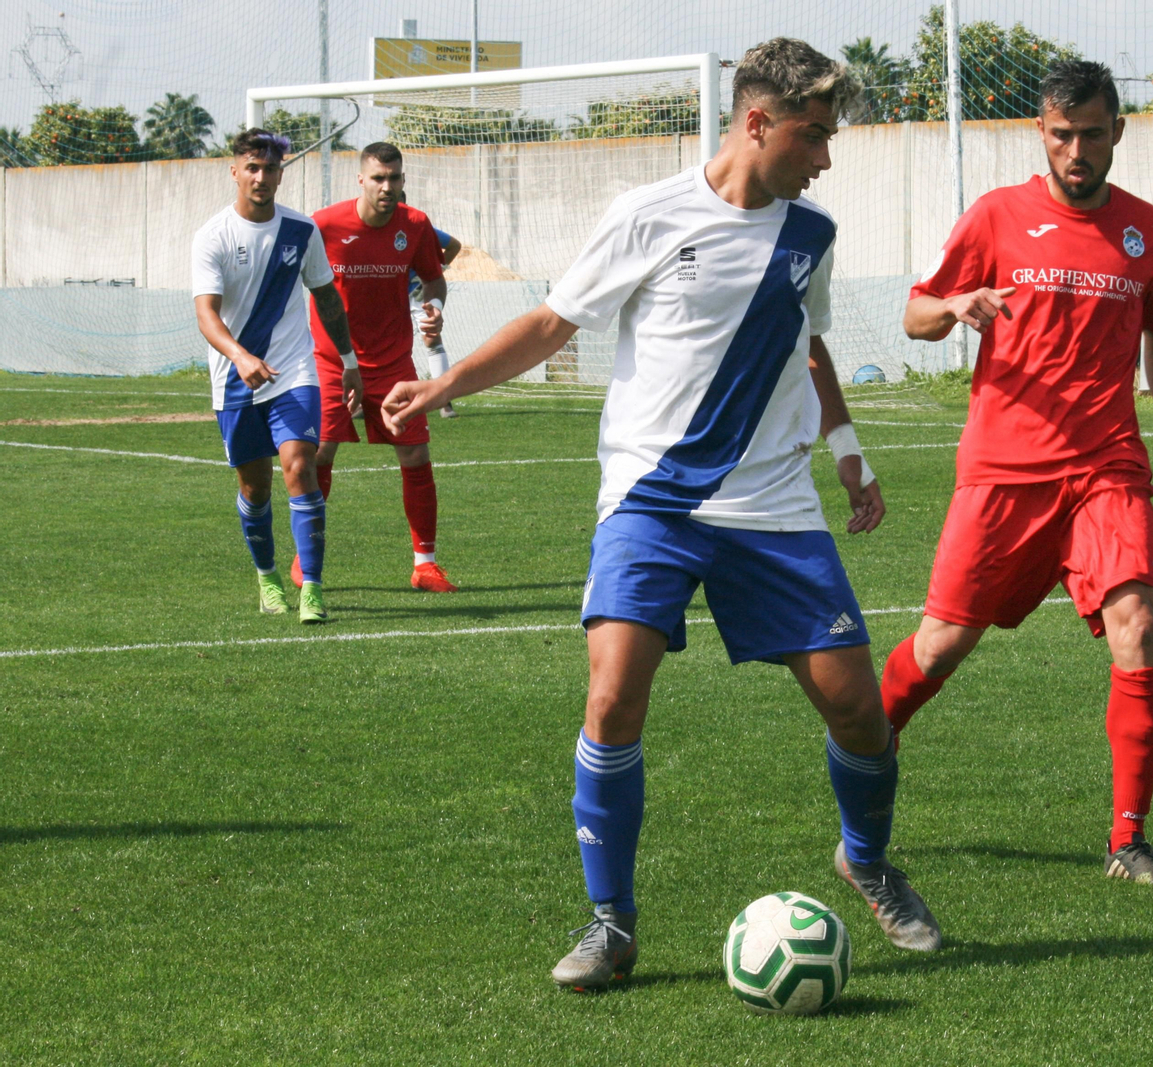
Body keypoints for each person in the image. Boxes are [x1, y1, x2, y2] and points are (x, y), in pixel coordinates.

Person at [383, 37, 942, 989]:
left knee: (858, 708)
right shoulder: (647, 214)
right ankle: (612, 923)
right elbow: (553, 322)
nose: (825, 157)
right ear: (757, 122)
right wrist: (445, 386)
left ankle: (867, 859)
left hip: (772, 504)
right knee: (612, 694)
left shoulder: (812, 234)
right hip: (652, 497)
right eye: (813, 135)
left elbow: (809, 345)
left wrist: (850, 453)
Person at [885, 59, 1153, 887]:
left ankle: (1129, 839)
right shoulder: (996, 216)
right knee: (941, 647)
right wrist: (954, 305)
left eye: (1092, 135)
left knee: (1137, 625)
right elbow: (916, 313)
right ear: (1041, 132)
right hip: (1005, 468)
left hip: (1107, 465)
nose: (1076, 152)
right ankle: (863, 740)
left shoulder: (1150, 231)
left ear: (1117, 131)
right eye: (1062, 135)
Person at [191, 127, 356, 625]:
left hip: (293, 370)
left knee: (301, 467)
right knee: (255, 488)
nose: (261, 177)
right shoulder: (213, 236)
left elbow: (326, 297)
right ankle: (267, 578)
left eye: (270, 169)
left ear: (281, 174)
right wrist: (241, 357)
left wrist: (349, 362)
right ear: (235, 171)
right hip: (235, 378)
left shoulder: (302, 230)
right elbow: (206, 314)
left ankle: (313, 590)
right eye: (253, 168)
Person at [301, 142, 457, 593]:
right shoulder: (323, 225)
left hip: (393, 363)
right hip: (331, 361)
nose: (387, 186)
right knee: (319, 454)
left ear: (403, 180)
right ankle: (305, 557)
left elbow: (434, 278)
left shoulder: (416, 224)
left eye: (394, 178)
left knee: (416, 455)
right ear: (361, 180)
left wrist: (433, 306)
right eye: (378, 178)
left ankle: (425, 566)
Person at [399, 190, 463, 418]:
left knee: (432, 337)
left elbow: (454, 245)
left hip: (417, 292)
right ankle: (363, 400)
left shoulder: (419, 228)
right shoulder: (373, 230)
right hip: (387, 295)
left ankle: (443, 400)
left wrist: (435, 270)